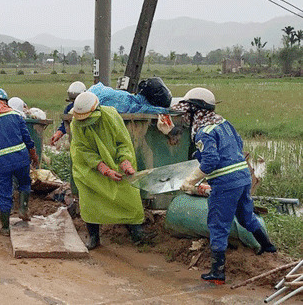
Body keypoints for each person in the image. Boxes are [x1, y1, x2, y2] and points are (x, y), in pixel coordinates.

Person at [176, 87, 276, 285]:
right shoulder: (222, 122)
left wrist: (191, 181)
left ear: (196, 110)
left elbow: (211, 161)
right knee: (246, 216)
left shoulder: (203, 132)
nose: (186, 115)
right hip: (242, 178)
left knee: (218, 224)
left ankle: (217, 273)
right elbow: (237, 144)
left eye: (188, 110)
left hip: (225, 183)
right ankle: (268, 247)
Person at [69, 91, 152, 250]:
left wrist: (125, 162)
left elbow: (123, 143)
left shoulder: (111, 117)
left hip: (115, 162)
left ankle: (136, 233)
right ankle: (94, 236)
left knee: (128, 195)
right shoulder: (76, 123)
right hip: (88, 168)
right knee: (90, 199)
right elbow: (82, 150)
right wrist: (103, 169)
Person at [0, 88, 39, 236]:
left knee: (4, 194)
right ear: (4, 101)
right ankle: (23, 208)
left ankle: (5, 227)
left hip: (0, 163)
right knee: (24, 183)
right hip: (20, 158)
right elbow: (27, 138)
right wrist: (34, 155)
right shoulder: (16, 115)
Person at [50, 81, 86, 145]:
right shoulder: (69, 108)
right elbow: (64, 125)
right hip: (75, 142)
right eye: (73, 101)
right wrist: (58, 134)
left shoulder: (89, 108)